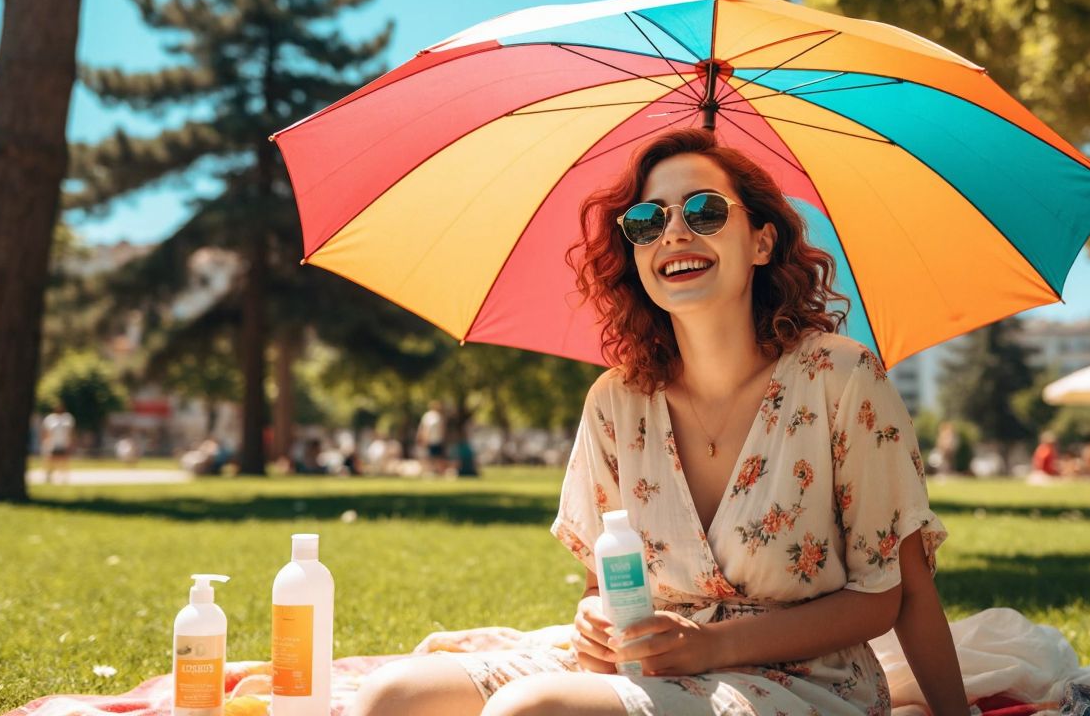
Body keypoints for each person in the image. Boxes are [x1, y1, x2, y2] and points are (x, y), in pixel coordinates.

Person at [353, 129, 967, 715]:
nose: (674, 233)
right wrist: (594, 622)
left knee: (529, 710)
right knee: (393, 698)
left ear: (762, 242)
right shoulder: (616, 402)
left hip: (805, 681)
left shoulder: (842, 378)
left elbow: (890, 593)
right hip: (649, 665)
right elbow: (604, 587)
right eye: (649, 221)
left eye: (704, 211)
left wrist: (712, 648)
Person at [40, 402, 76, 484]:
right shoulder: (50, 418)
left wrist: (71, 442)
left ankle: (64, 477)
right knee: (50, 460)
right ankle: (48, 476)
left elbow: (71, 431)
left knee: (64, 460)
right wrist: (45, 442)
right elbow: (45, 431)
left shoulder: (67, 418)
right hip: (52, 443)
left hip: (63, 442)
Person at [417, 400, 450, 476]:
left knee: (438, 457)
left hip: (437, 440)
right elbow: (425, 428)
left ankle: (439, 472)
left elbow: (442, 429)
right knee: (429, 457)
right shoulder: (428, 416)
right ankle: (429, 472)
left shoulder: (439, 416)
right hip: (430, 440)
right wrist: (424, 438)